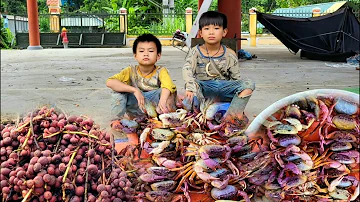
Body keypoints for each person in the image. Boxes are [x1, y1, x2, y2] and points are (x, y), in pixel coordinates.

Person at [182, 11, 255, 129]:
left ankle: (233, 116)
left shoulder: (230, 54)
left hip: (224, 88)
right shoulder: (195, 52)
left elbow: (236, 79)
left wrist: (235, 94)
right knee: (189, 90)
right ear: (200, 33)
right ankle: (199, 115)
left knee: (248, 84)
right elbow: (187, 69)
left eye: (216, 28)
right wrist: (190, 86)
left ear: (224, 32)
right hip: (204, 88)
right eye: (206, 28)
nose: (211, 32)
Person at [106, 33, 177, 124]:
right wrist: (134, 90)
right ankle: (116, 122)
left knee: (170, 91)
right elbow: (110, 82)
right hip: (137, 107)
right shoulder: (130, 71)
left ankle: (168, 119)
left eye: (151, 51)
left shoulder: (161, 71)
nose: (146, 54)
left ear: (158, 56)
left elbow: (168, 86)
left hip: (158, 108)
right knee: (118, 92)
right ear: (135, 55)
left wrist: (162, 102)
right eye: (141, 51)